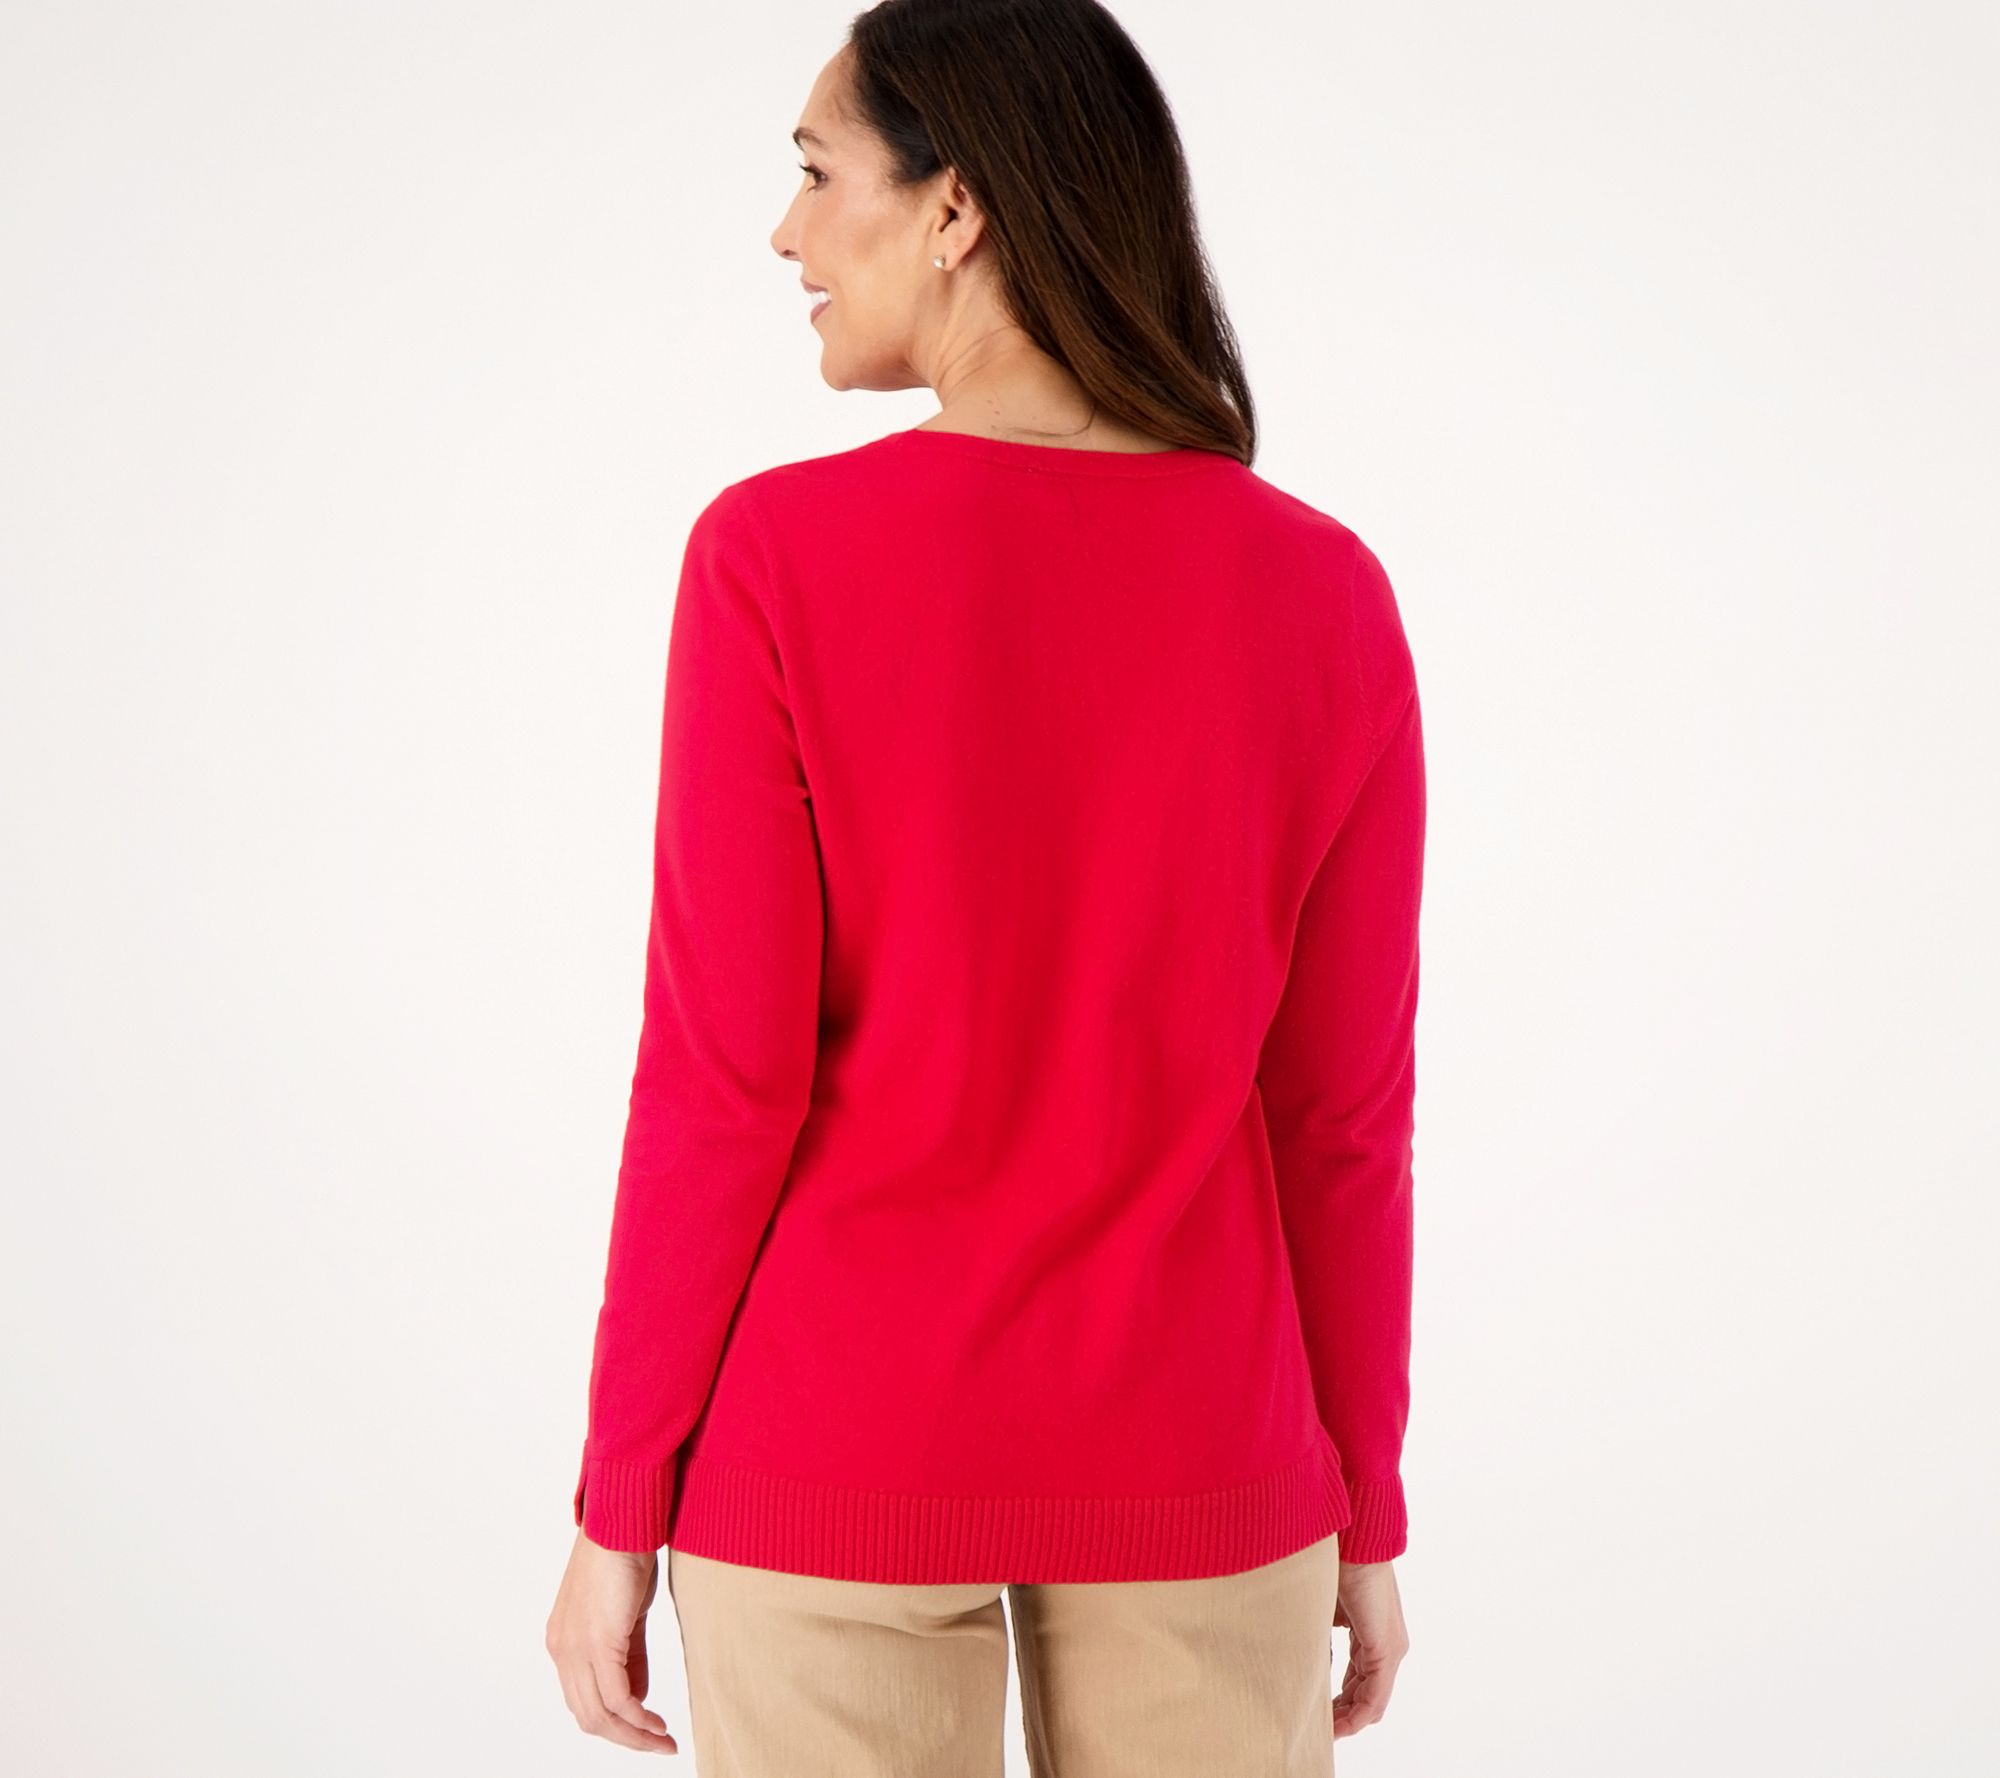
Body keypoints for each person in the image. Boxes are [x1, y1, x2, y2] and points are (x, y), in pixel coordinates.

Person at [545, 2, 1424, 1770]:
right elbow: (1338, 1113)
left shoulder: (772, 561)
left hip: (832, 1444)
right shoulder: (1324, 592)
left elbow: (723, 1079)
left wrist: (621, 1493)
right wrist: (1365, 1497)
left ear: (955, 209)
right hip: (1204, 1453)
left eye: (818, 173)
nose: (785, 232)